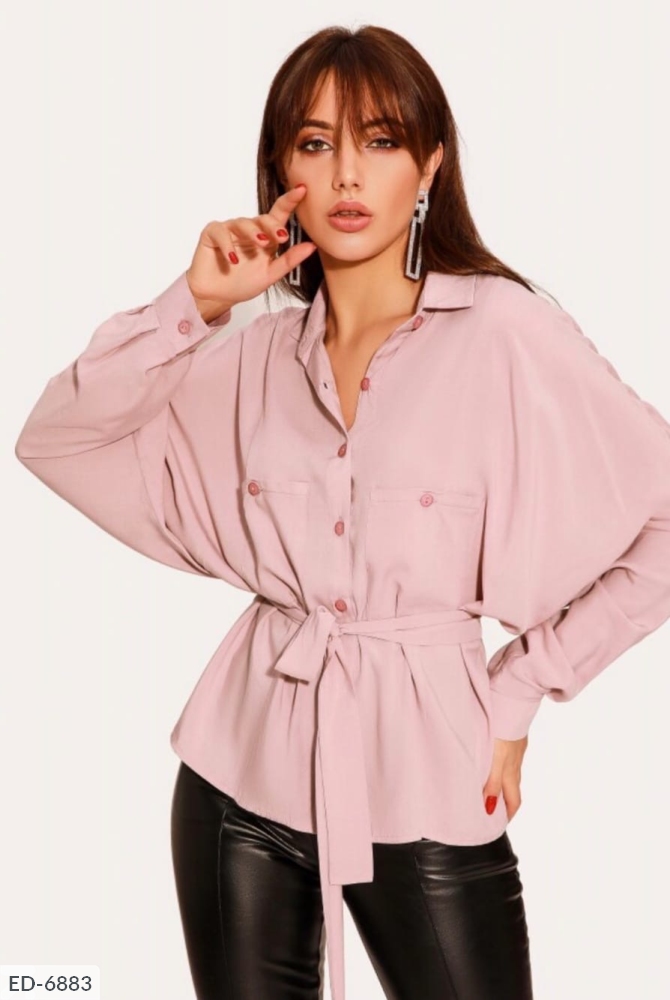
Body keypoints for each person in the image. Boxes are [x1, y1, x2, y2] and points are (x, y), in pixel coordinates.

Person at [14, 23, 670, 1000]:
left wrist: (526, 683)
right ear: (282, 169)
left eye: (381, 140)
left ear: (430, 166)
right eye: (316, 143)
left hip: (430, 775)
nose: (347, 174)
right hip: (238, 781)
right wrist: (194, 302)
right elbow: (55, 439)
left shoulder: (502, 331)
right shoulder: (250, 355)